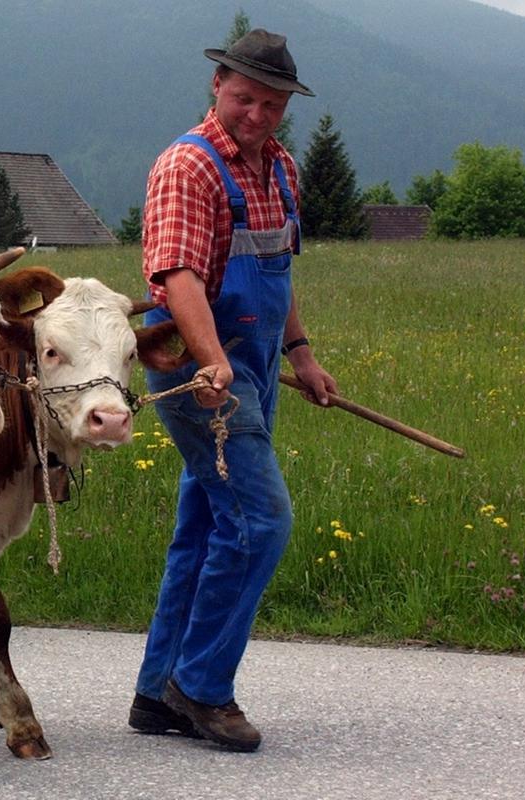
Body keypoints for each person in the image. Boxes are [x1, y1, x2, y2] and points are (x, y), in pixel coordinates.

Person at [129, 30, 337, 751]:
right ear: (218, 84)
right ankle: (203, 687)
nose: (257, 113)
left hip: (253, 369)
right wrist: (213, 363)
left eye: (272, 103)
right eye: (245, 97)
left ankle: (159, 692)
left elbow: (278, 269)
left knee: (210, 526)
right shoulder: (189, 165)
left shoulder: (280, 168)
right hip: (202, 374)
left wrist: (303, 355)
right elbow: (178, 276)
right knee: (260, 523)